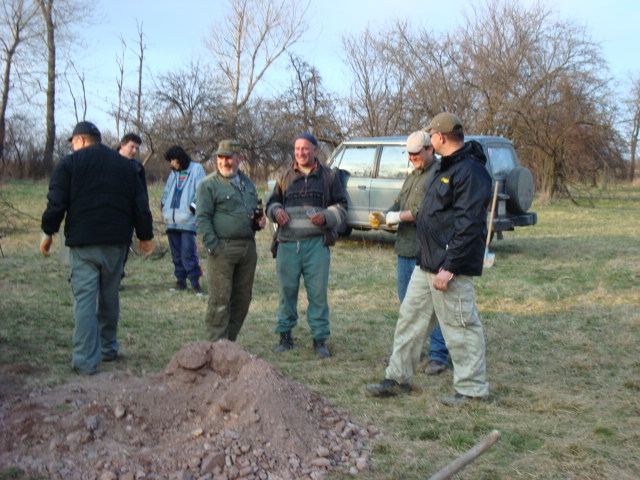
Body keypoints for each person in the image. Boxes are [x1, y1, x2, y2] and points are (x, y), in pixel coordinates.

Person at [366, 112, 492, 406]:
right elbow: (430, 212)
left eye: (431, 134)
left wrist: (450, 267)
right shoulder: (443, 169)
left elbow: (470, 225)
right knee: (409, 321)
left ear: (440, 137)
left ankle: (473, 391)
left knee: (461, 328)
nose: (431, 139)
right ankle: (397, 379)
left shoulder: (470, 171)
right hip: (426, 264)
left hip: (449, 269)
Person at [40, 121, 154, 375]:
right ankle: (108, 348)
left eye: (72, 143)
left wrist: (48, 231)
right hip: (117, 242)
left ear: (79, 141)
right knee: (110, 295)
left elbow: (56, 202)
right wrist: (145, 236)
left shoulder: (69, 164)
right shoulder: (128, 166)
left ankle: (84, 360)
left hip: (83, 242)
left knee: (84, 300)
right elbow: (140, 204)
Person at [369, 131, 449, 376]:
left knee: (434, 306)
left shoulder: (438, 175)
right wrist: (384, 215)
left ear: (429, 149)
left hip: (427, 251)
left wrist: (396, 217)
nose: (412, 157)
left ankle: (438, 355)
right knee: (408, 307)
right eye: (410, 154)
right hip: (405, 248)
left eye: (416, 153)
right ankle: (410, 352)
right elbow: (400, 204)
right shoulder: (413, 175)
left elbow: (423, 210)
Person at [266, 133, 347, 358]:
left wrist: (327, 217)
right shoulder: (283, 177)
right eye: (297, 149)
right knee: (286, 292)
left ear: (314, 150)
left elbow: (342, 206)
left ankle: (319, 340)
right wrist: (276, 211)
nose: (300, 153)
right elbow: (271, 203)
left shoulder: (330, 177)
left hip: (316, 245)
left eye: (305, 149)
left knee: (318, 293)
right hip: (287, 245)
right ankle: (285, 337)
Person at [195, 139, 266, 341]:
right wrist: (214, 247)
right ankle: (216, 347)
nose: (224, 162)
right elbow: (202, 218)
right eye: (221, 158)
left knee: (242, 300)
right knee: (219, 300)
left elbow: (253, 211)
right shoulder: (208, 185)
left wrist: (257, 222)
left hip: (247, 249)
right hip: (222, 249)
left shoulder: (247, 182)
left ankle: (229, 344)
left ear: (240, 159)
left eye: (229, 158)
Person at [162, 145, 206, 295]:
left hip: (188, 220)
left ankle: (195, 283)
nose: (171, 164)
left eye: (172, 160)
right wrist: (164, 205)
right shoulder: (173, 173)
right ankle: (180, 281)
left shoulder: (196, 169)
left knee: (188, 254)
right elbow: (167, 190)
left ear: (179, 158)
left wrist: (194, 206)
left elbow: (201, 189)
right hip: (171, 220)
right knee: (176, 255)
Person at [117, 133, 146, 283]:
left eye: (137, 148)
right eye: (131, 147)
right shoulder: (109, 161)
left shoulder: (138, 167)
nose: (134, 151)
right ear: (122, 145)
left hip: (127, 217)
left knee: (123, 248)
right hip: (108, 214)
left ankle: (118, 278)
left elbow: (142, 196)